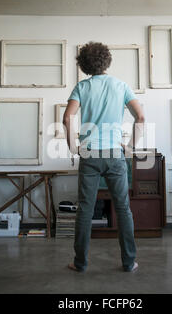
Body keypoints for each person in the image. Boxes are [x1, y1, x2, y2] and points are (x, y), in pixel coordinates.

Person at [63, 41, 145, 272]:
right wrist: (129, 148)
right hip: (115, 155)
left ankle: (80, 263)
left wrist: (72, 147)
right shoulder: (121, 86)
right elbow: (140, 117)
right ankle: (129, 262)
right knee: (123, 209)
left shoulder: (82, 87)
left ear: (84, 64)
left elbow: (67, 119)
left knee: (85, 209)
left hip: (89, 154)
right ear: (106, 60)